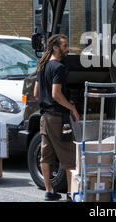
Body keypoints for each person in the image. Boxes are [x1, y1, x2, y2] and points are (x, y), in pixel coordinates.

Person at [34, 34, 80, 201]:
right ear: (55, 47)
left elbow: (36, 94)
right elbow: (56, 94)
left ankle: (49, 191)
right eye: (65, 46)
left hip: (44, 117)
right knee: (69, 156)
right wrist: (72, 108)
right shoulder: (58, 68)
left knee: (46, 156)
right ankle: (70, 193)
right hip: (58, 117)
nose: (68, 49)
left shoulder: (43, 65)